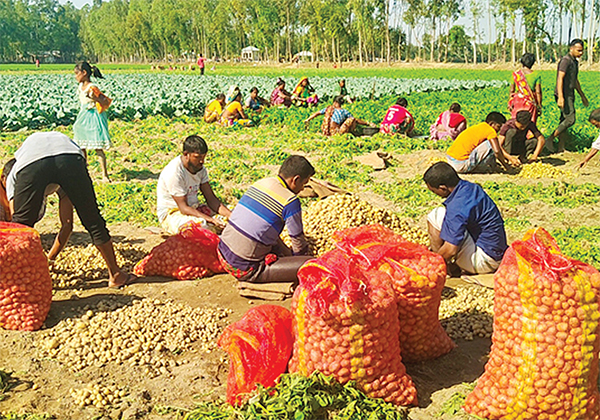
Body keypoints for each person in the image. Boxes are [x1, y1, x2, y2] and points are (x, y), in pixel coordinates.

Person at [5, 131, 134, 287]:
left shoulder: (17, 172)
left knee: (21, 227)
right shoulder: (20, 172)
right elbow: (67, 224)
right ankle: (116, 275)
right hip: (69, 158)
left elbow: (17, 227)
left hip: (36, 163)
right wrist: (48, 260)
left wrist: (47, 259)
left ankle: (16, 281)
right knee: (93, 220)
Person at [218, 155, 315, 284]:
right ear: (296, 180)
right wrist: (300, 258)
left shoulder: (262, 183)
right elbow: (298, 244)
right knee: (311, 265)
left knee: (274, 237)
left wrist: (287, 254)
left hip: (222, 253)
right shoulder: (290, 201)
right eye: (304, 184)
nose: (303, 189)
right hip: (244, 268)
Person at [424, 162, 508, 275]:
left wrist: (432, 266)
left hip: (485, 261)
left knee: (436, 216)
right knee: (451, 223)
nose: (436, 194)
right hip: (497, 254)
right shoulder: (470, 188)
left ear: (443, 188)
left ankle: (445, 267)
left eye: (434, 191)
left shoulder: (456, 207)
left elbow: (451, 249)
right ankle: (445, 262)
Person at [2, 158, 74, 261]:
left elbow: (68, 224)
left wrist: (50, 258)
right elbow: (16, 223)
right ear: (4, 179)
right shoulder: (12, 182)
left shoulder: (59, 180)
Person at [157, 135, 232, 235]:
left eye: (203, 157)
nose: (202, 161)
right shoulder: (174, 172)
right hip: (173, 213)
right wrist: (211, 220)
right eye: (197, 158)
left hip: (194, 208)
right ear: (186, 154)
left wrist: (231, 216)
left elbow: (211, 199)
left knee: (234, 212)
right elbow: (183, 208)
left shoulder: (200, 169)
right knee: (198, 227)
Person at [547, 39, 590, 153]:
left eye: (582, 51)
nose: (581, 53)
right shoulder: (565, 61)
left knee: (564, 120)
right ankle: (550, 139)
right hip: (564, 94)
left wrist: (582, 95)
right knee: (570, 119)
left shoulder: (574, 62)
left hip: (570, 93)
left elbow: (574, 80)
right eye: (578, 50)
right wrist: (561, 97)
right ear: (571, 48)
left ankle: (561, 147)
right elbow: (560, 78)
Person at [72, 61, 113, 182]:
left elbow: (105, 102)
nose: (75, 76)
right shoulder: (81, 87)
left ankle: (105, 175)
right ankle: (83, 171)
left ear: (84, 73)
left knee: (97, 146)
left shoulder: (92, 88)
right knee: (81, 145)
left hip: (94, 116)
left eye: (76, 74)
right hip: (83, 115)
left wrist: (95, 98)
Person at [446, 112, 517, 173]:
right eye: (498, 126)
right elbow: (497, 151)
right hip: (460, 165)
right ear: (492, 124)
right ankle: (490, 166)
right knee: (492, 144)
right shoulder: (490, 131)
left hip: (450, 161)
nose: (498, 130)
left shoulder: (480, 127)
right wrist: (506, 166)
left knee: (492, 143)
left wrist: (509, 158)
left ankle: (491, 165)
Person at [304, 95, 377, 136]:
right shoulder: (343, 111)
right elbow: (356, 120)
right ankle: (353, 133)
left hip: (325, 131)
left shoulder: (328, 109)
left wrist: (308, 119)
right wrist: (368, 123)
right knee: (352, 119)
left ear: (335, 102)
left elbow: (317, 113)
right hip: (336, 132)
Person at [508, 53, 542, 123]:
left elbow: (512, 90)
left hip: (518, 102)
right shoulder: (536, 75)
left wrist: (510, 102)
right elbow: (538, 92)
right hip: (529, 102)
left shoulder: (516, 74)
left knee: (517, 121)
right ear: (532, 63)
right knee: (529, 122)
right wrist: (539, 105)